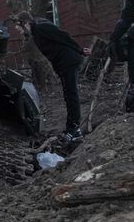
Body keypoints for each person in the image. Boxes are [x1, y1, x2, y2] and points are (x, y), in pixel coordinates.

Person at [12, 11, 87, 142]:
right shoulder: (36, 31)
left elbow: (63, 36)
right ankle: (72, 128)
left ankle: (74, 129)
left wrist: (80, 50)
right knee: (68, 95)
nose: (17, 29)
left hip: (68, 61)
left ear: (25, 23)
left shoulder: (42, 27)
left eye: (18, 26)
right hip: (63, 64)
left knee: (71, 95)